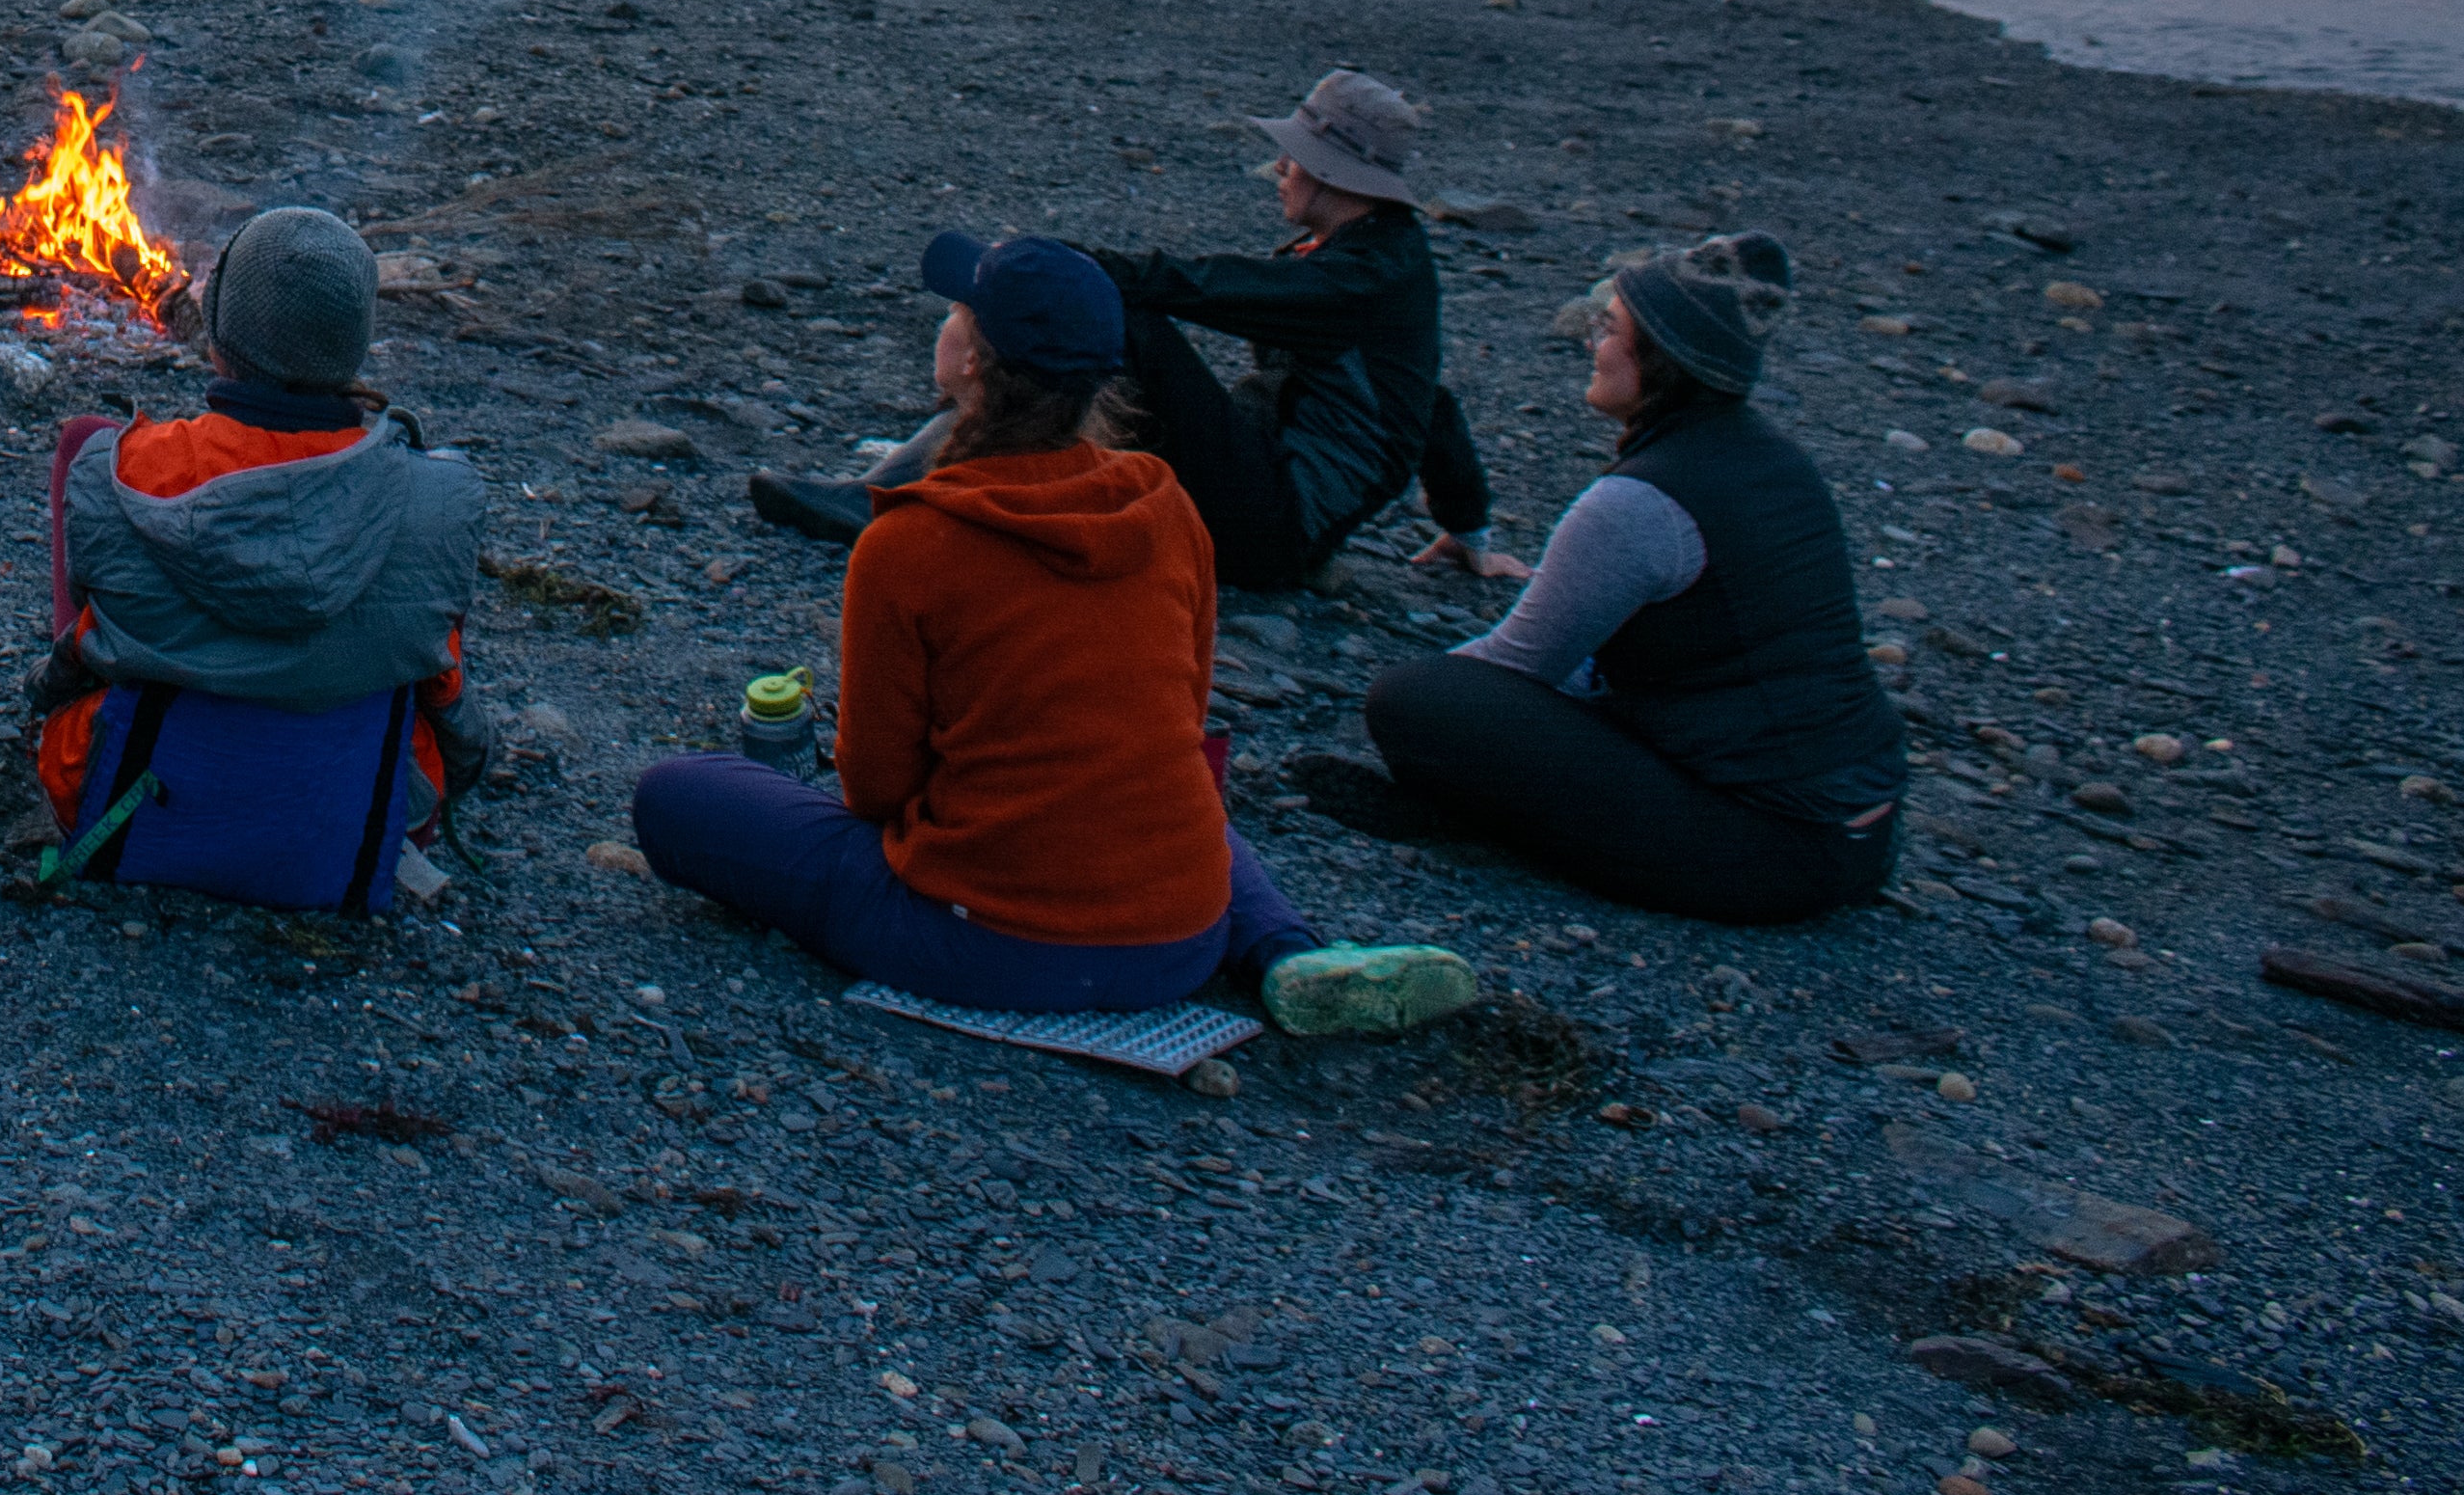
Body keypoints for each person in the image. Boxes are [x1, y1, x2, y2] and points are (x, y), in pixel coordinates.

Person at [636, 234, 1471, 1033]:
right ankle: (1285, 955)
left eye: (957, 310)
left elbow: (876, 790)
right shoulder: (1167, 505)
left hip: (986, 946)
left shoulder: (907, 540)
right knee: (1155, 778)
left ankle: (1085, 915)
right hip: (1179, 942)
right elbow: (1181, 715)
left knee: (677, 794)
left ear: (972, 360)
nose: (944, 321)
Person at [1294, 251, 1907, 924]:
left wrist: (1416, 718)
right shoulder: (1776, 461)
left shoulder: (1637, 501)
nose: (1591, 343)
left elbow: (1516, 663)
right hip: (1865, 832)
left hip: (1769, 848)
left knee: (1414, 699)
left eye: (1608, 329)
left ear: (1660, 357)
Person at [753, 68, 1501, 593]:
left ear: (1338, 177)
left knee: (1124, 325)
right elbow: (1430, 403)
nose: (1279, 166)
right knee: (1109, 339)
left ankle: (885, 496)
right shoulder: (1376, 259)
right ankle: (948, 475)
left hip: (1274, 526)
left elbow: (1197, 286)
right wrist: (1468, 531)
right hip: (1274, 496)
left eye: (1296, 156)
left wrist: (1055, 266)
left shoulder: (1358, 279)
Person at [28, 210, 484, 912]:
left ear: (217, 340)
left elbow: (85, 644)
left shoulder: (120, 468)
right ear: (355, 345)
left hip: (127, 804)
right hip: (347, 828)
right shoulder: (439, 497)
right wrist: (477, 755)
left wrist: (42, 688)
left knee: (86, 448)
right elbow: (440, 682)